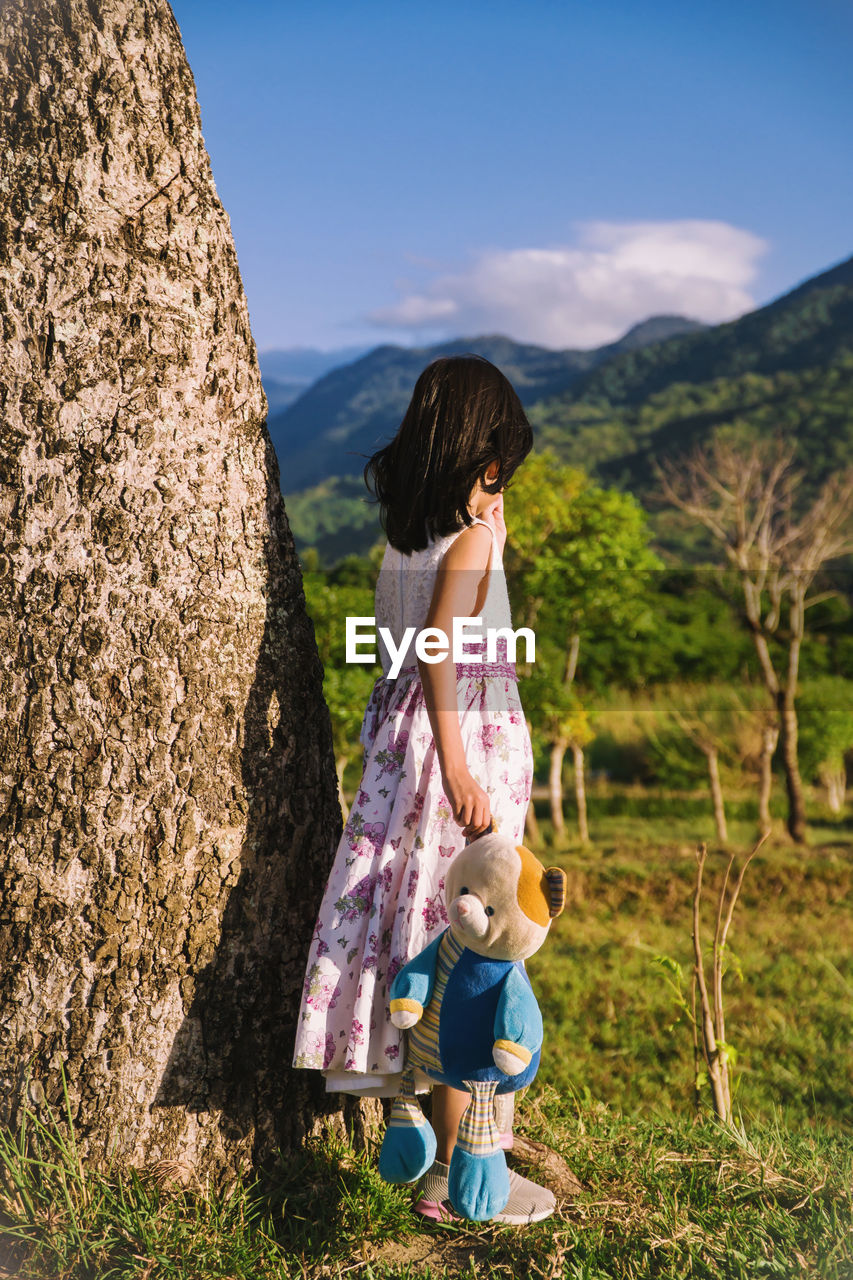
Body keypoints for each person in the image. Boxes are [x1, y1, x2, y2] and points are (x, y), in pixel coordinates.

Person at [292, 354, 554, 1224]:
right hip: (461, 745)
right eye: (501, 467)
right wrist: (458, 763)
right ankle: (464, 1169)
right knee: (474, 945)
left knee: (409, 925)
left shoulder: (408, 540)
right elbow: (445, 648)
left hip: (403, 751)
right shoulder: (471, 542)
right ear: (486, 462)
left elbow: (405, 656)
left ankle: (417, 1124)